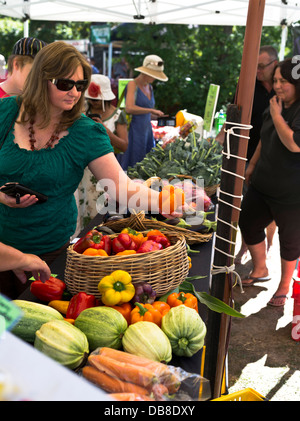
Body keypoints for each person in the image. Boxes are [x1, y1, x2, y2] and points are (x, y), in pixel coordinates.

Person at [0, 41, 177, 299]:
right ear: (41, 79)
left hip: (50, 254)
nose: (74, 92)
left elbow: (122, 189)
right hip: (3, 251)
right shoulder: (5, 112)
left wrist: (169, 200)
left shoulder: (86, 132)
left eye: (80, 85)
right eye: (64, 83)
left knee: (32, 333)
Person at [239, 57, 300, 307]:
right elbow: (266, 136)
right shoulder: (275, 104)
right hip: (263, 183)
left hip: (291, 192)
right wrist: (251, 165)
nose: (277, 86)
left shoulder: (290, 109)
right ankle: (260, 268)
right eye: (275, 80)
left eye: (283, 81)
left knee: (290, 241)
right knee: (248, 222)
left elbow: (294, 143)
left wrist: (276, 114)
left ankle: (284, 287)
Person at [227, 45, 279, 264]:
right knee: (247, 204)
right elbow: (234, 114)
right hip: (248, 152)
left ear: (274, 63)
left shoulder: (285, 86)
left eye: (261, 66)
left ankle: (268, 244)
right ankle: (245, 246)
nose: (257, 71)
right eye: (255, 66)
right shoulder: (248, 85)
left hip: (276, 156)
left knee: (271, 206)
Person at [76, 74, 128, 230]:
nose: (93, 103)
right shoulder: (80, 111)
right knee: (80, 207)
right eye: (90, 99)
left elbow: (124, 146)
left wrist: (106, 132)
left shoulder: (118, 116)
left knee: (100, 210)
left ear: (105, 98)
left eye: (96, 100)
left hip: (106, 171)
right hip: (81, 171)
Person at [118, 54, 167, 171]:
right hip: (133, 131)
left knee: (145, 166)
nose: (154, 78)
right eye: (153, 75)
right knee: (131, 167)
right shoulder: (132, 85)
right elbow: (129, 108)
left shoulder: (150, 87)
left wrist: (155, 115)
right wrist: (151, 110)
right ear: (145, 72)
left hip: (146, 131)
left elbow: (146, 113)